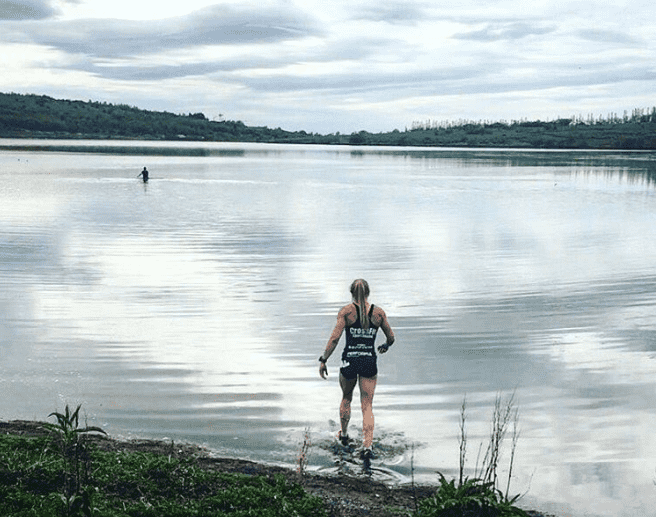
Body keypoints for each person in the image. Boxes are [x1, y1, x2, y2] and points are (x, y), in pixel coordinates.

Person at [319, 279, 395, 461]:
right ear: (368, 292)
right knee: (367, 405)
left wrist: (324, 359)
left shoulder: (346, 312)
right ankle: (367, 446)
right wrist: (384, 346)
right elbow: (391, 337)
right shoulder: (378, 313)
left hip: (349, 361)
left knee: (346, 398)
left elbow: (335, 339)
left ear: (351, 292)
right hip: (369, 361)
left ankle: (344, 436)